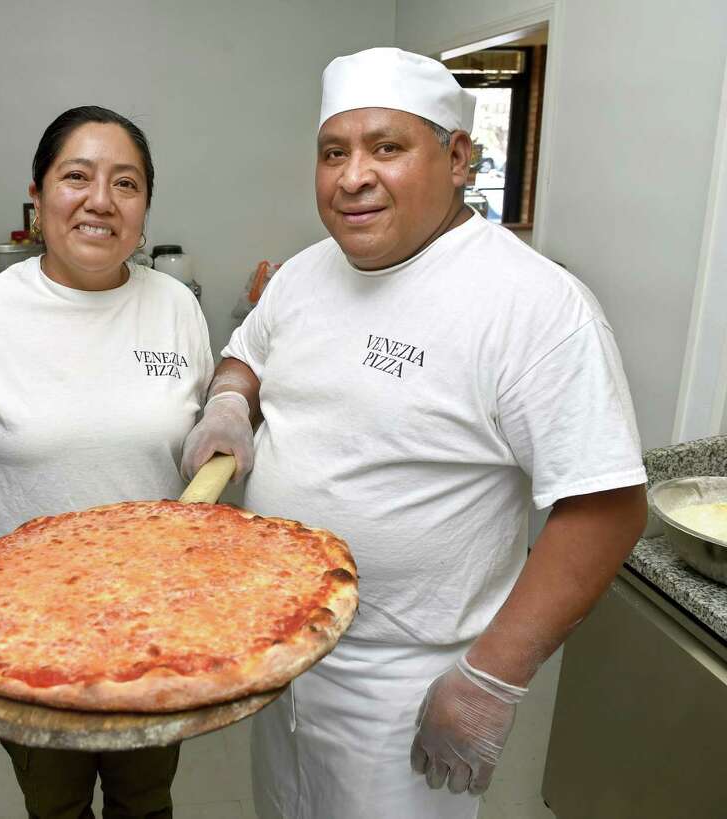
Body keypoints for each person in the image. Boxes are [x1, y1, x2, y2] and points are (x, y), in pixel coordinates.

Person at [180, 48, 648, 819]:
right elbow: (247, 354)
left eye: (386, 147)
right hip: (282, 650)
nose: (352, 176)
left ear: (458, 156)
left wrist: (492, 677)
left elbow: (605, 508)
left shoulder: (533, 306)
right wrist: (230, 400)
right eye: (334, 152)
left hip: (406, 684)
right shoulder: (304, 272)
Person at [0, 105, 212, 819]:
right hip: (24, 632)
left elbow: (196, 462)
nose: (101, 200)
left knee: (145, 798)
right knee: (55, 803)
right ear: (37, 197)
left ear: (145, 207)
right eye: (77, 176)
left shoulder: (176, 308)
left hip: (152, 627)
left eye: (126, 184)